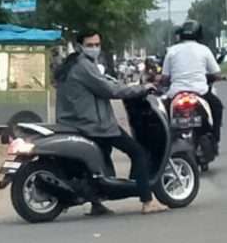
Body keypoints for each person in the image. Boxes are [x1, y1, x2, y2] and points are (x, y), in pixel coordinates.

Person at [55, 30, 165, 215]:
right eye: (90, 45)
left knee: (102, 160)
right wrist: (141, 89)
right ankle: (147, 200)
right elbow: (109, 90)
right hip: (94, 125)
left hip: (76, 122)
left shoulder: (72, 64)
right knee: (138, 152)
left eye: (97, 44)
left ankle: (96, 204)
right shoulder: (84, 66)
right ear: (80, 46)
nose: (94, 48)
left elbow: (104, 83)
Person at [161, 20, 224, 144]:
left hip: (175, 93)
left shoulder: (172, 51)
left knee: (162, 114)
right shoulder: (204, 50)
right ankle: (215, 138)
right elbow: (217, 74)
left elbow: (165, 77)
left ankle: (165, 142)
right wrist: (209, 77)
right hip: (200, 91)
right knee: (217, 107)